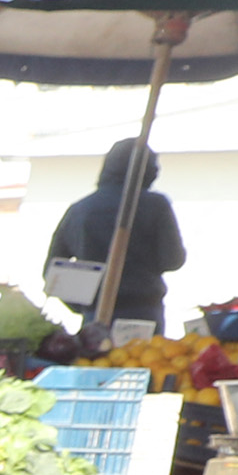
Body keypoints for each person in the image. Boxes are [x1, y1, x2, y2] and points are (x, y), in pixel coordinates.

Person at [48, 136, 183, 332]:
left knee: (100, 360)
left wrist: (80, 305)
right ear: (147, 170)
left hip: (94, 316)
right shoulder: (156, 205)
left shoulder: (80, 210)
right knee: (144, 360)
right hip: (144, 313)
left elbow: (54, 268)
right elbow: (173, 260)